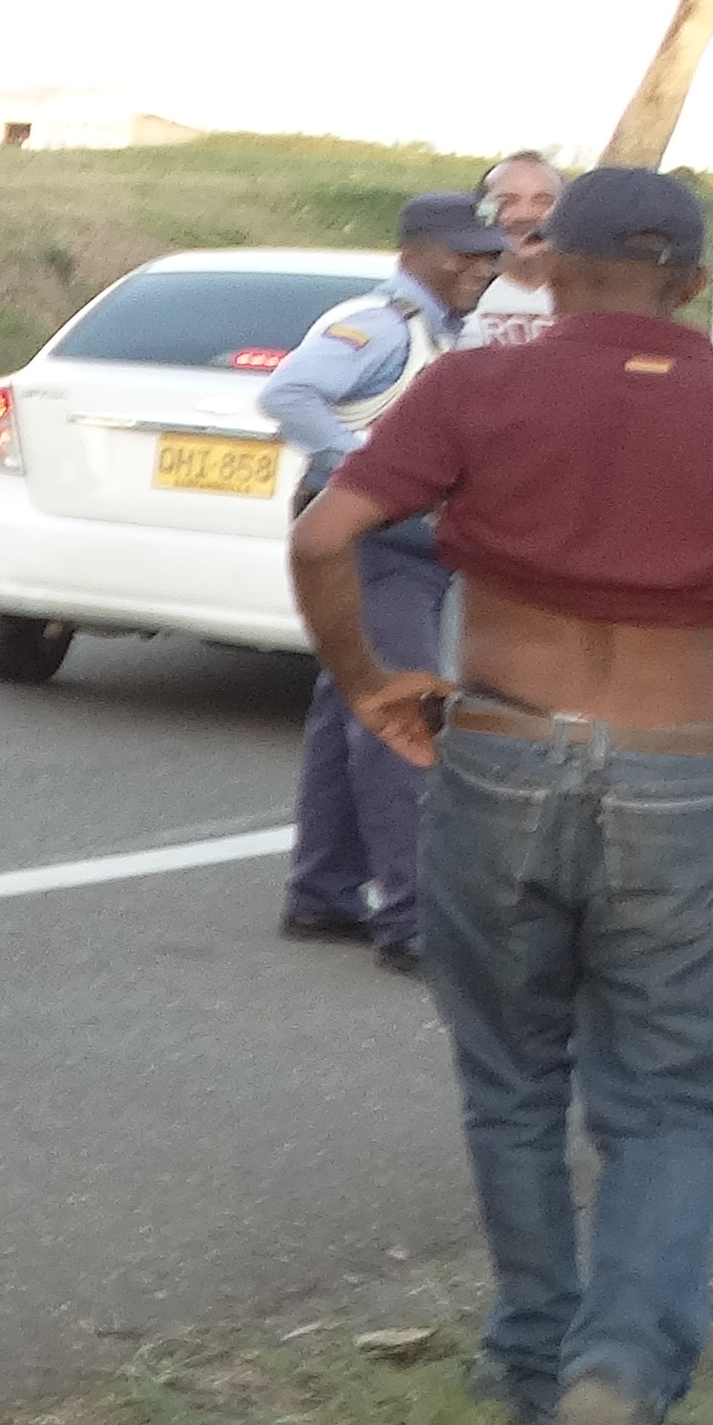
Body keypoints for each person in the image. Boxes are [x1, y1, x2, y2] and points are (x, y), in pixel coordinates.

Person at [294, 167, 713, 1425]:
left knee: (516, 1074)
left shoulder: (477, 387)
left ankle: (532, 1353)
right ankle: (624, 1377)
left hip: (502, 752)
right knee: (672, 1105)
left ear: (549, 267)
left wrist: (369, 683)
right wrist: (691, 712)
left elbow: (326, 532)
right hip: (674, 775)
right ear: (694, 284)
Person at [258, 193, 504, 976]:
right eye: (463, 253)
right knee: (403, 715)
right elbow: (288, 392)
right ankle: (413, 918)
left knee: (351, 707)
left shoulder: (439, 331)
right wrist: (366, 469)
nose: (481, 267)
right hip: (378, 541)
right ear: (415, 251)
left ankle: (324, 892)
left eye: (490, 253)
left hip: (395, 540)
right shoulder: (382, 323)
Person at [458, 151, 564, 346]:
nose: (525, 215)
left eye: (543, 201)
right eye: (507, 202)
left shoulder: (595, 297)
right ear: (482, 211)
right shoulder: (453, 295)